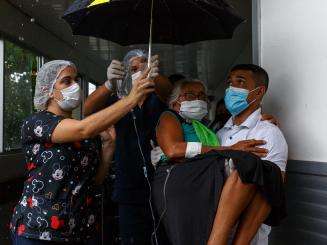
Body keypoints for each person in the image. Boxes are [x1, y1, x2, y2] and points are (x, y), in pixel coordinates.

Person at [10, 60, 154, 244]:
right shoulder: (37, 122)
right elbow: (83, 128)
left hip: (79, 228)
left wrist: (109, 146)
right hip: (39, 228)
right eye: (66, 81)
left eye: (76, 80)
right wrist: (131, 99)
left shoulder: (88, 135)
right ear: (49, 90)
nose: (75, 85)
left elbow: (94, 180)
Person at [152, 78, 286, 245]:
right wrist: (231, 150)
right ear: (175, 103)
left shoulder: (209, 129)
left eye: (202, 96)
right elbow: (173, 150)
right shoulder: (169, 117)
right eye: (190, 95)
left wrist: (260, 121)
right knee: (247, 166)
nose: (198, 99)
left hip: (204, 182)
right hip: (180, 179)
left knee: (268, 173)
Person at [84, 49, 172, 244]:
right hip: (128, 187)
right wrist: (109, 84)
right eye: (132, 67)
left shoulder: (157, 99)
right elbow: (87, 109)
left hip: (162, 185)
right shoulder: (118, 102)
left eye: (143, 64)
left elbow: (169, 92)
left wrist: (155, 76)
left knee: (163, 237)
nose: (138, 69)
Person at [212, 64, 288, 245]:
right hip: (214, 228)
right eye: (230, 83)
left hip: (247, 237)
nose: (232, 89)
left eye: (240, 82)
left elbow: (270, 190)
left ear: (259, 91)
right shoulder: (219, 134)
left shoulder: (268, 133)